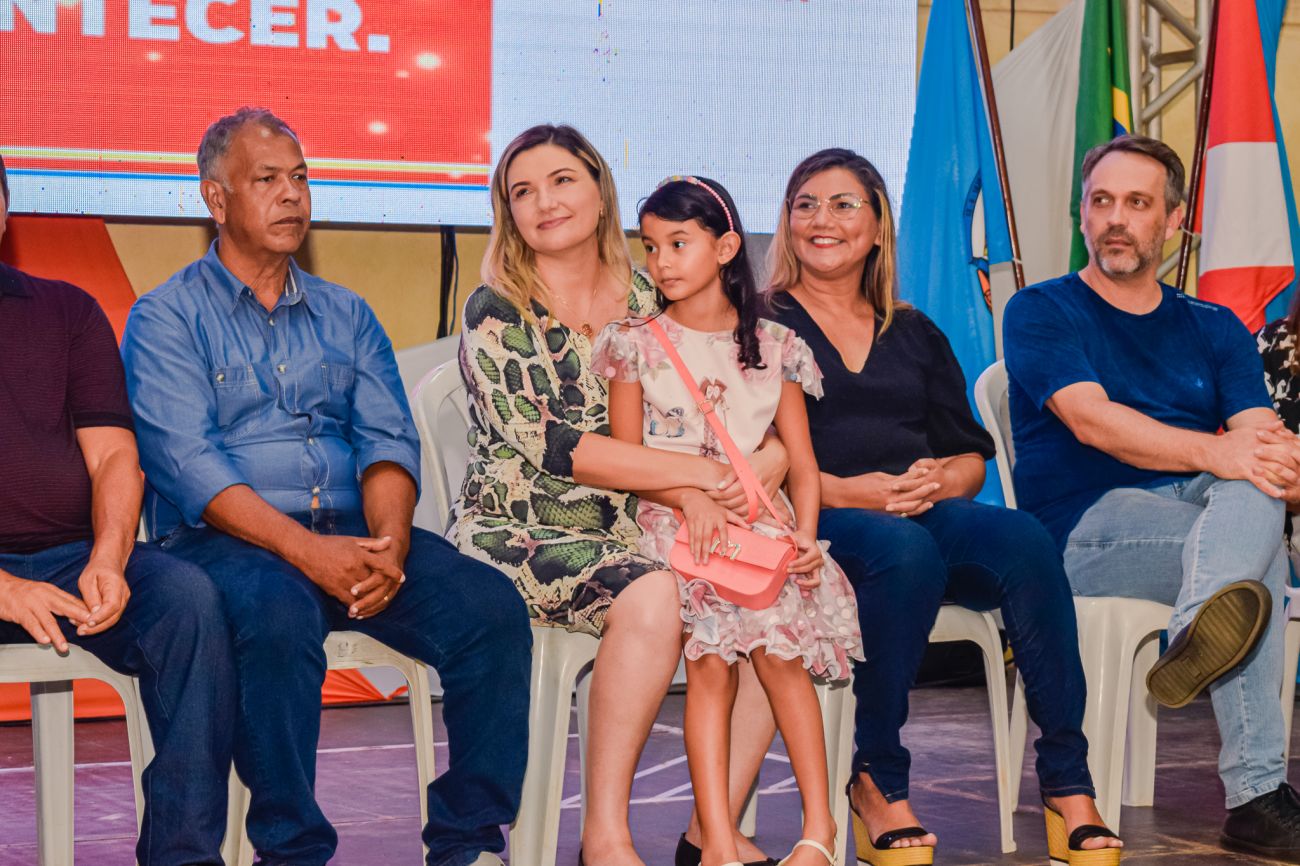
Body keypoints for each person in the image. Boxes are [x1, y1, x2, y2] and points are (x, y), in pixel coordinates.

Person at [119, 107, 532, 866]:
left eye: (300, 178)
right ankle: (293, 848)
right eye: (267, 180)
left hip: (354, 532)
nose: (291, 195)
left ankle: (468, 842)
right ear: (216, 198)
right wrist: (309, 554)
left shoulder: (347, 313)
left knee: (490, 611)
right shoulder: (165, 318)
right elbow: (189, 464)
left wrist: (391, 545)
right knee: (275, 612)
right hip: (225, 542)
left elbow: (386, 441)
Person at [766, 148, 1121, 866]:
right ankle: (876, 779)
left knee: (1023, 539)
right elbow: (745, 459)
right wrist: (854, 492)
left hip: (916, 513)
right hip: (809, 520)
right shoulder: (760, 323)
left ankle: (1067, 783)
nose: (822, 219)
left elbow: (968, 455)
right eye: (806, 204)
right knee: (905, 551)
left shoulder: (914, 330)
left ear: (877, 228)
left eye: (843, 204)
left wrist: (937, 482)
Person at [450, 125, 790, 866]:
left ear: (600, 193)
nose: (545, 201)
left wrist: (774, 453)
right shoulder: (495, 308)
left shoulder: (652, 292)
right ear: (508, 213)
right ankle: (605, 837)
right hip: (521, 527)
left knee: (774, 600)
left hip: (650, 518)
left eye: (562, 180)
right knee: (654, 595)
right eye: (523, 191)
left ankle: (712, 831)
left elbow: (730, 393)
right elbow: (557, 448)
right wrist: (698, 480)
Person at [1004, 133, 1300, 861]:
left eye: (1137, 203)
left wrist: (1282, 467)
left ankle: (1201, 625)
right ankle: (1257, 796)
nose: (1116, 219)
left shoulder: (1216, 326)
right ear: (1081, 215)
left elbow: (1258, 439)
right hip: (1081, 526)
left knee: (1259, 493)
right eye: (1101, 201)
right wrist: (1222, 452)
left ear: (1172, 221)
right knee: (1256, 553)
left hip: (1196, 519)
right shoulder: (1041, 309)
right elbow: (1093, 422)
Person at [594, 176, 863, 866]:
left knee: (781, 654)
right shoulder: (635, 343)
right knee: (711, 666)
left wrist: (806, 535)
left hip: (760, 529)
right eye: (651, 246)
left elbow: (803, 464)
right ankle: (715, 838)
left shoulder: (776, 345)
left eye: (679, 243)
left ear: (725, 248)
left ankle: (818, 830)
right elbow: (627, 460)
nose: (662, 262)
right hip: (673, 524)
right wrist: (690, 496)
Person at [0, 153, 236, 866]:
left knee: (188, 601)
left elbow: (112, 458)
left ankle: (182, 855)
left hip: (72, 559)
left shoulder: (66, 311)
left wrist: (109, 556)